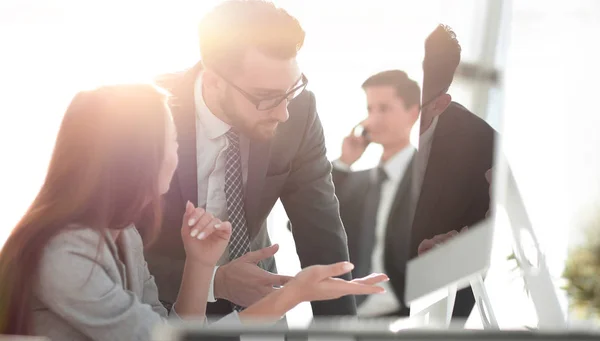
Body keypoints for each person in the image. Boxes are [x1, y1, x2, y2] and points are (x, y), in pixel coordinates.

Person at [0, 84, 388, 340]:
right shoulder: (66, 253)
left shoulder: (123, 234)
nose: (177, 155)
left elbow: (171, 329)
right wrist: (291, 296)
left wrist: (201, 265)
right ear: (136, 156)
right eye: (171, 142)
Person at [143, 0, 356, 317]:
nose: (282, 113)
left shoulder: (298, 111)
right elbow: (116, 250)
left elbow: (320, 226)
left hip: (262, 302)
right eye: (266, 97)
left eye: (291, 88)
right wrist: (215, 281)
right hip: (163, 310)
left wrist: (341, 332)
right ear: (214, 80)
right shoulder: (146, 115)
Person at [402, 24, 496, 319]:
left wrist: (449, 253)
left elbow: (478, 253)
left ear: (440, 104)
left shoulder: (481, 146)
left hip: (429, 302)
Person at [329, 70, 420, 317]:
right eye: (370, 110)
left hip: (402, 315)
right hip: (349, 313)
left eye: (385, 108)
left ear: (413, 113)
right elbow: (307, 226)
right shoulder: (357, 182)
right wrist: (344, 163)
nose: (374, 119)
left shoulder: (428, 180)